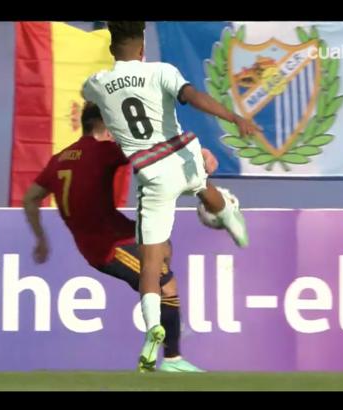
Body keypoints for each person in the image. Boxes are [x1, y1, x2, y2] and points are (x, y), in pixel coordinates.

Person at [81, 21, 259, 371]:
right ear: (143, 46)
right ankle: (230, 218)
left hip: (152, 175)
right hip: (183, 156)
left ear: (112, 47)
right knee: (204, 189)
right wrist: (233, 116)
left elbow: (90, 96)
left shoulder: (97, 84)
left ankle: (152, 330)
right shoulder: (161, 71)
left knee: (151, 261)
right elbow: (192, 96)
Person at [23, 103, 220, 372]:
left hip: (116, 233)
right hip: (107, 247)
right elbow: (152, 151)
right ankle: (172, 359)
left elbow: (30, 198)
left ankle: (162, 319)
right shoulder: (102, 150)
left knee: (162, 244)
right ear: (102, 124)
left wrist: (40, 238)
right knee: (168, 286)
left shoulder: (59, 158)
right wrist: (200, 153)